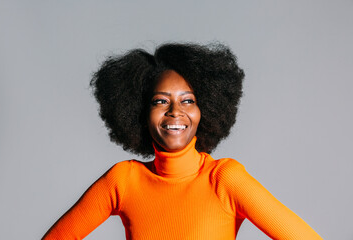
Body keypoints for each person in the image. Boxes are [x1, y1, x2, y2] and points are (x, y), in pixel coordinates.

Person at [42, 43, 322, 239]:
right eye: (160, 101)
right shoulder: (123, 181)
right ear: (140, 111)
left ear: (205, 110)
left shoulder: (225, 180)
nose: (175, 111)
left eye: (188, 100)